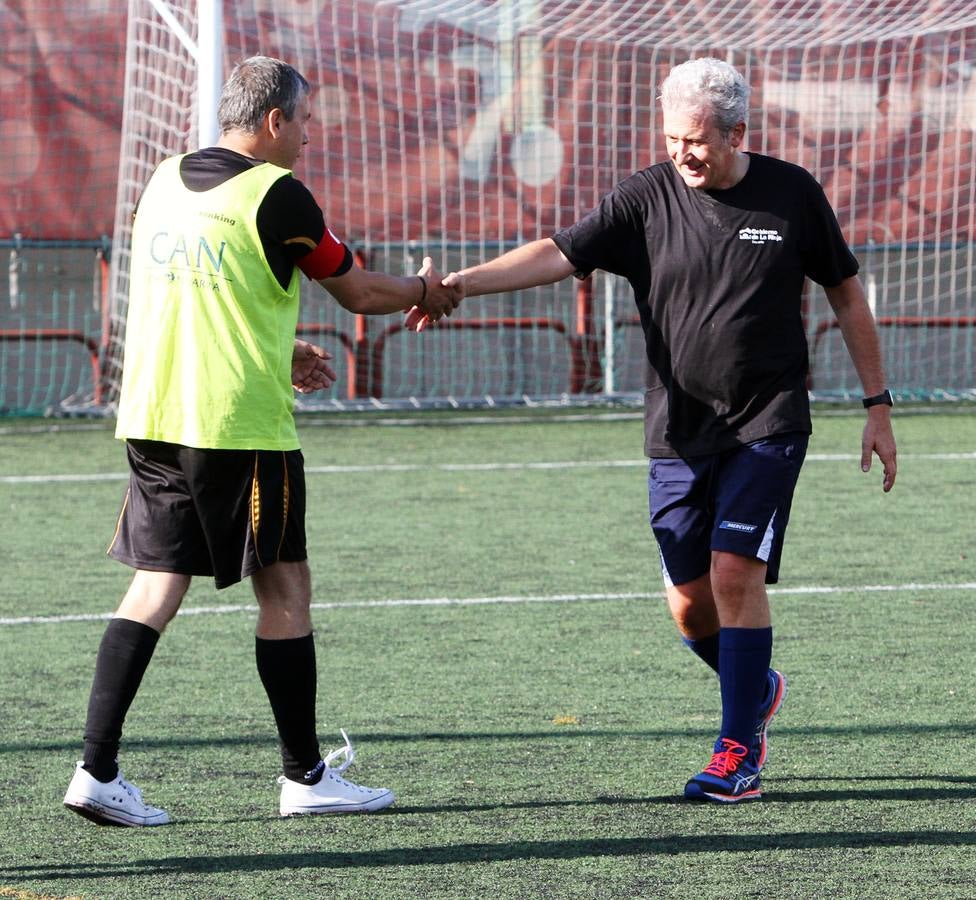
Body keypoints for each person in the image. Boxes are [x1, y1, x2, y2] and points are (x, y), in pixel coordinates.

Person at [410, 57, 897, 803]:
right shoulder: (645, 195)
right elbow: (558, 252)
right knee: (688, 603)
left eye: (698, 140)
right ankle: (755, 689)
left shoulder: (792, 192)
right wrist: (460, 284)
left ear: (739, 132)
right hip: (676, 429)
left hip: (766, 423)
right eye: (672, 138)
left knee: (736, 572)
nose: (683, 153)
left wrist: (878, 405)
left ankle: (738, 751)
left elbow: (846, 295)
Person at [62, 55, 458, 827]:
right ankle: (305, 777)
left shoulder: (164, 179)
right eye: (305, 122)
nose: (309, 138)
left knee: (154, 585)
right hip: (235, 425)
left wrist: (280, 351)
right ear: (275, 121)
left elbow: (193, 300)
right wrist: (426, 292)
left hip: (151, 414)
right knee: (285, 587)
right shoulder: (278, 194)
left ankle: (95, 771)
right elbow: (361, 292)